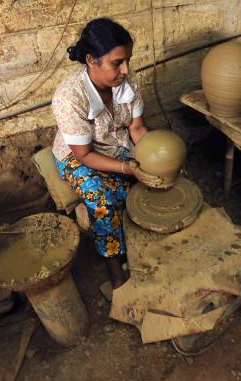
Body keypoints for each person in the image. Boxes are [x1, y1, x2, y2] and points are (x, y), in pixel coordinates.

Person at [51, 17, 161, 289]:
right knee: (103, 202)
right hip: (78, 156)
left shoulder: (127, 82)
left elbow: (137, 128)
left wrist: (151, 156)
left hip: (117, 144)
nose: (125, 69)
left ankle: (152, 249)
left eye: (127, 61)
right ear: (91, 60)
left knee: (160, 179)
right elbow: (84, 155)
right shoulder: (70, 96)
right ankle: (116, 275)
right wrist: (129, 168)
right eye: (117, 63)